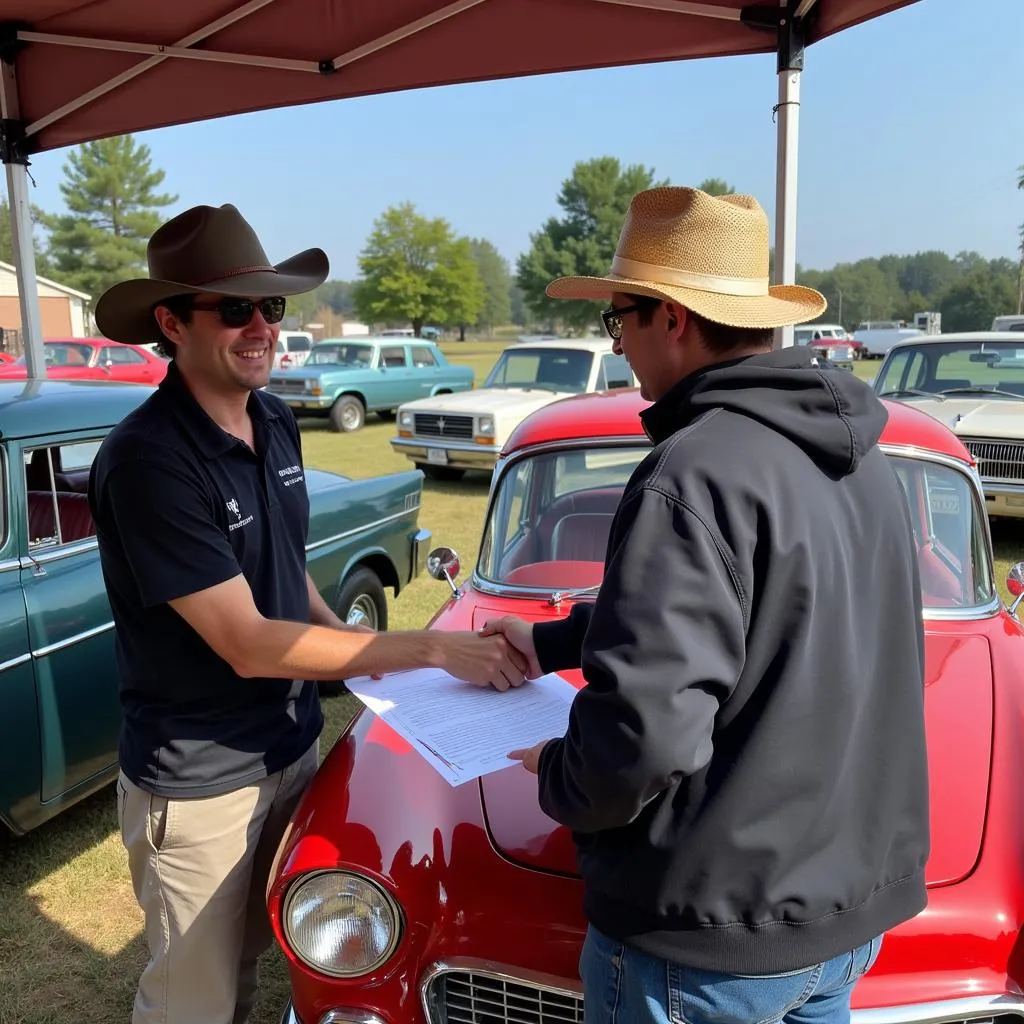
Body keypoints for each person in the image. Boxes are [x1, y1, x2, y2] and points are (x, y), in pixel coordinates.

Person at [483, 186, 929, 1024]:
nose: (619, 350)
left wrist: (558, 776)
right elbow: (773, 617)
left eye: (620, 321)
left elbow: (642, 739)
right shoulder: (863, 455)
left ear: (673, 319)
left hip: (704, 938)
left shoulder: (693, 469)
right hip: (839, 912)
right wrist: (550, 645)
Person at [88, 203, 527, 1024]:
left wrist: (360, 644)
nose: (261, 327)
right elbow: (248, 643)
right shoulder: (148, 460)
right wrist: (425, 648)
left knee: (285, 954)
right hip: (200, 783)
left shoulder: (275, 419)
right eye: (235, 309)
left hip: (291, 752)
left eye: (272, 306)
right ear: (170, 322)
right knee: (196, 999)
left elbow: (286, 580)